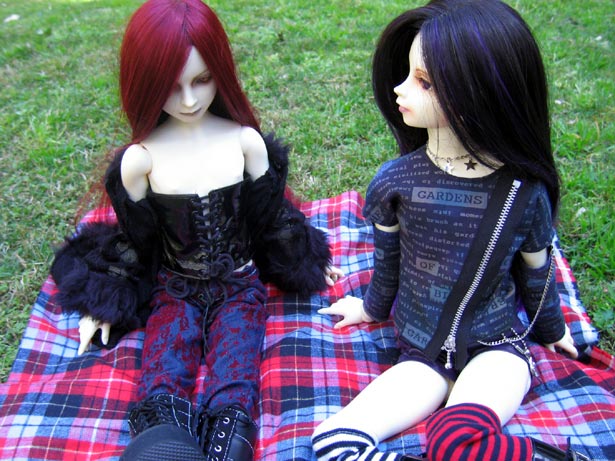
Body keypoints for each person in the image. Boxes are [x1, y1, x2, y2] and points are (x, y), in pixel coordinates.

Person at [49, 1, 342, 460]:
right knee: (163, 374)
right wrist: (108, 298)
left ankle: (228, 444)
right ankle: (164, 446)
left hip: (240, 284)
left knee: (236, 375)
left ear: (219, 72)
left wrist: (305, 258)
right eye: (171, 85)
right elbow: (138, 239)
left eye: (202, 80)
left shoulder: (244, 142)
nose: (188, 100)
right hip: (174, 287)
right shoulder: (140, 160)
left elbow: (269, 217)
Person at [312, 1, 589, 460]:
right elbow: (388, 260)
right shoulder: (395, 182)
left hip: (497, 348)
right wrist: (371, 307)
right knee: (335, 440)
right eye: (407, 73)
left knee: (456, 440)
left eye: (423, 81)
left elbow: (537, 272)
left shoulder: (524, 193)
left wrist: (551, 328)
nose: (399, 89)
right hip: (420, 353)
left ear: (480, 94)